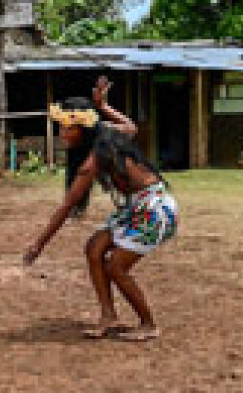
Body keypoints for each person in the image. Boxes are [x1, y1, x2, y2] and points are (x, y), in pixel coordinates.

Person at [23, 77, 178, 342]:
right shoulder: (102, 134)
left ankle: (148, 324)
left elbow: (66, 206)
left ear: (82, 130)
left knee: (115, 267)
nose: (62, 134)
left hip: (154, 209)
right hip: (138, 205)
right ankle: (108, 315)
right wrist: (102, 106)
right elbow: (130, 127)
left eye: (67, 128)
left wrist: (39, 244)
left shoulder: (95, 158)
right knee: (94, 248)